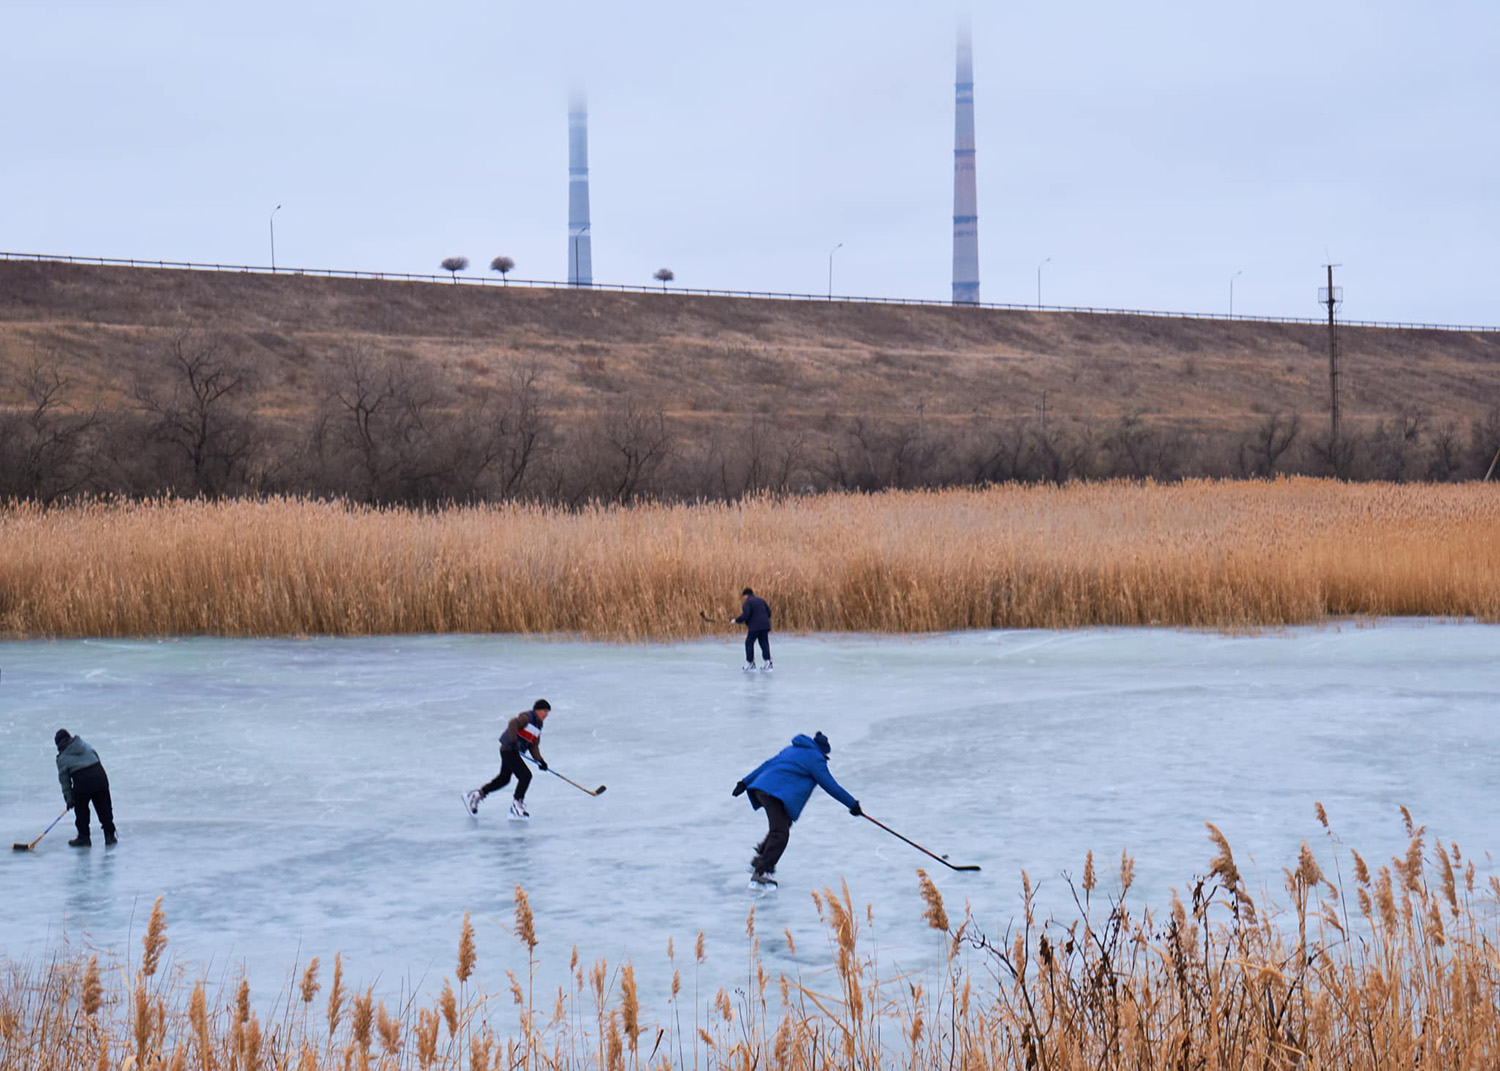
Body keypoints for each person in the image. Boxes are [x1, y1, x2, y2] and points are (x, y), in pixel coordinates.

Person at [732, 731, 860, 887]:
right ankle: (761, 872)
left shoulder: (792, 749)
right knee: (780, 833)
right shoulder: (815, 759)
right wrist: (852, 804)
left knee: (783, 824)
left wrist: (745, 782)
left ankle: (759, 859)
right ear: (823, 751)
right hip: (773, 793)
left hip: (763, 788)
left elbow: (768, 764)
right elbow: (830, 786)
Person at [465, 699, 550, 820]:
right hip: (508, 750)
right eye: (544, 711)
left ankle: (477, 794)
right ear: (537, 710)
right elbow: (512, 724)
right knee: (525, 775)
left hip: (512, 752)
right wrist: (514, 742)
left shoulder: (538, 726)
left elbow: (533, 746)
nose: (546, 714)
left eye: (547, 712)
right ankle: (517, 805)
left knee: (504, 779)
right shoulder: (527, 718)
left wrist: (540, 761)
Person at [55, 729, 116, 847]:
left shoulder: (62, 758)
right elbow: (97, 758)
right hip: (99, 775)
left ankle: (84, 838)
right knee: (104, 807)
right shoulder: (85, 745)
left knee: (81, 810)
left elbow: (65, 782)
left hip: (82, 780)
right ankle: (110, 835)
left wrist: (69, 800)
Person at [733, 587, 773, 672]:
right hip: (765, 626)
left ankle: (750, 663)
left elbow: (746, 615)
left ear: (746, 595)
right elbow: (769, 613)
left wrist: (737, 620)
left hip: (755, 627)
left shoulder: (748, 602)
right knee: (764, 643)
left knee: (749, 642)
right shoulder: (761, 600)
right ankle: (768, 662)